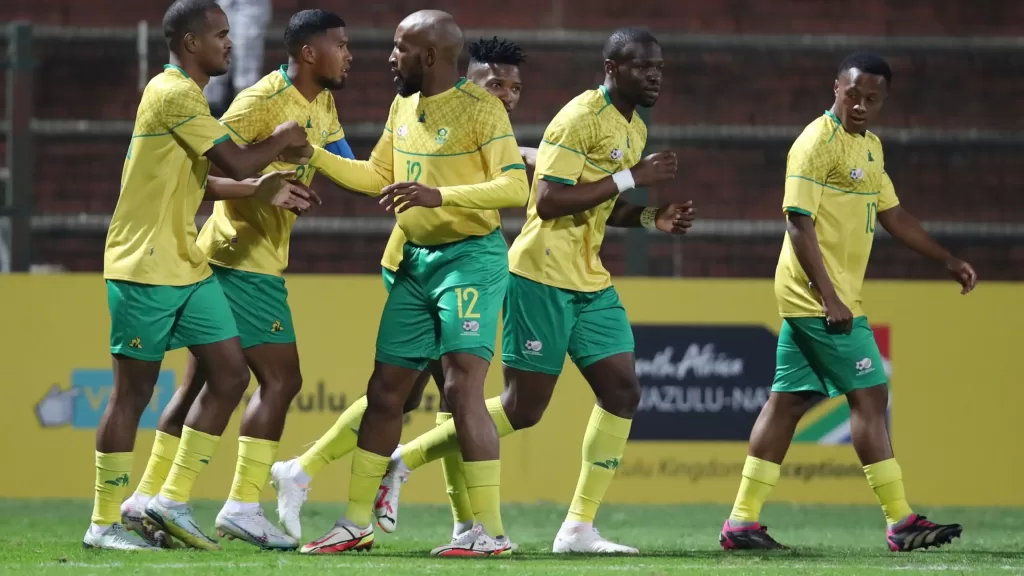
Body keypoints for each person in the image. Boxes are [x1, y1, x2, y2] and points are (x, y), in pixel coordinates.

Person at [373, 26, 694, 555]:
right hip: (541, 274)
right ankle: (404, 459)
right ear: (612, 69)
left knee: (623, 392)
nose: (654, 74)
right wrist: (633, 177)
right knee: (522, 410)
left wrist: (652, 217)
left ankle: (578, 529)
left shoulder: (631, 127)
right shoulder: (578, 118)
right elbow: (546, 200)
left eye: (658, 66)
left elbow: (601, 203)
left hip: (589, 279)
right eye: (642, 66)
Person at [267, 35, 533, 548]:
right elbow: (376, 176)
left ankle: (490, 532)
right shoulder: (402, 104)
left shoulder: (482, 109)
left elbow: (515, 186)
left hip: (470, 260)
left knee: (460, 389)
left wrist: (439, 195)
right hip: (414, 261)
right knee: (386, 391)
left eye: (399, 47)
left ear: (429, 56)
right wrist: (313, 155)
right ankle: (354, 523)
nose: (389, 56)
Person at [719, 52, 976, 552]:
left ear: (883, 101)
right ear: (836, 88)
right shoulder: (815, 143)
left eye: (871, 99)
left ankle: (741, 522)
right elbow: (798, 222)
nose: (859, 105)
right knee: (870, 396)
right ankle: (901, 521)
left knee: (789, 401)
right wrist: (830, 297)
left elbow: (894, 215)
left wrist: (945, 259)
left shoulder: (871, 149)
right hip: (818, 297)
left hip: (828, 296)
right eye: (852, 94)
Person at [118, 9, 353, 551]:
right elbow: (210, 173)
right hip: (241, 259)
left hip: (229, 258)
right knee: (282, 380)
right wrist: (261, 184)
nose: (350, 55)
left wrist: (392, 174)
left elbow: (344, 161)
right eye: (341, 46)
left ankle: (145, 497)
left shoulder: (323, 101)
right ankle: (240, 504)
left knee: (200, 383)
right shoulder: (259, 103)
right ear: (310, 53)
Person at [204, 0, 271, 116]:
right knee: (215, 48)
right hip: (222, 4)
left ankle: (246, 110)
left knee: (246, 54)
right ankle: (210, 108)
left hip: (249, 5)